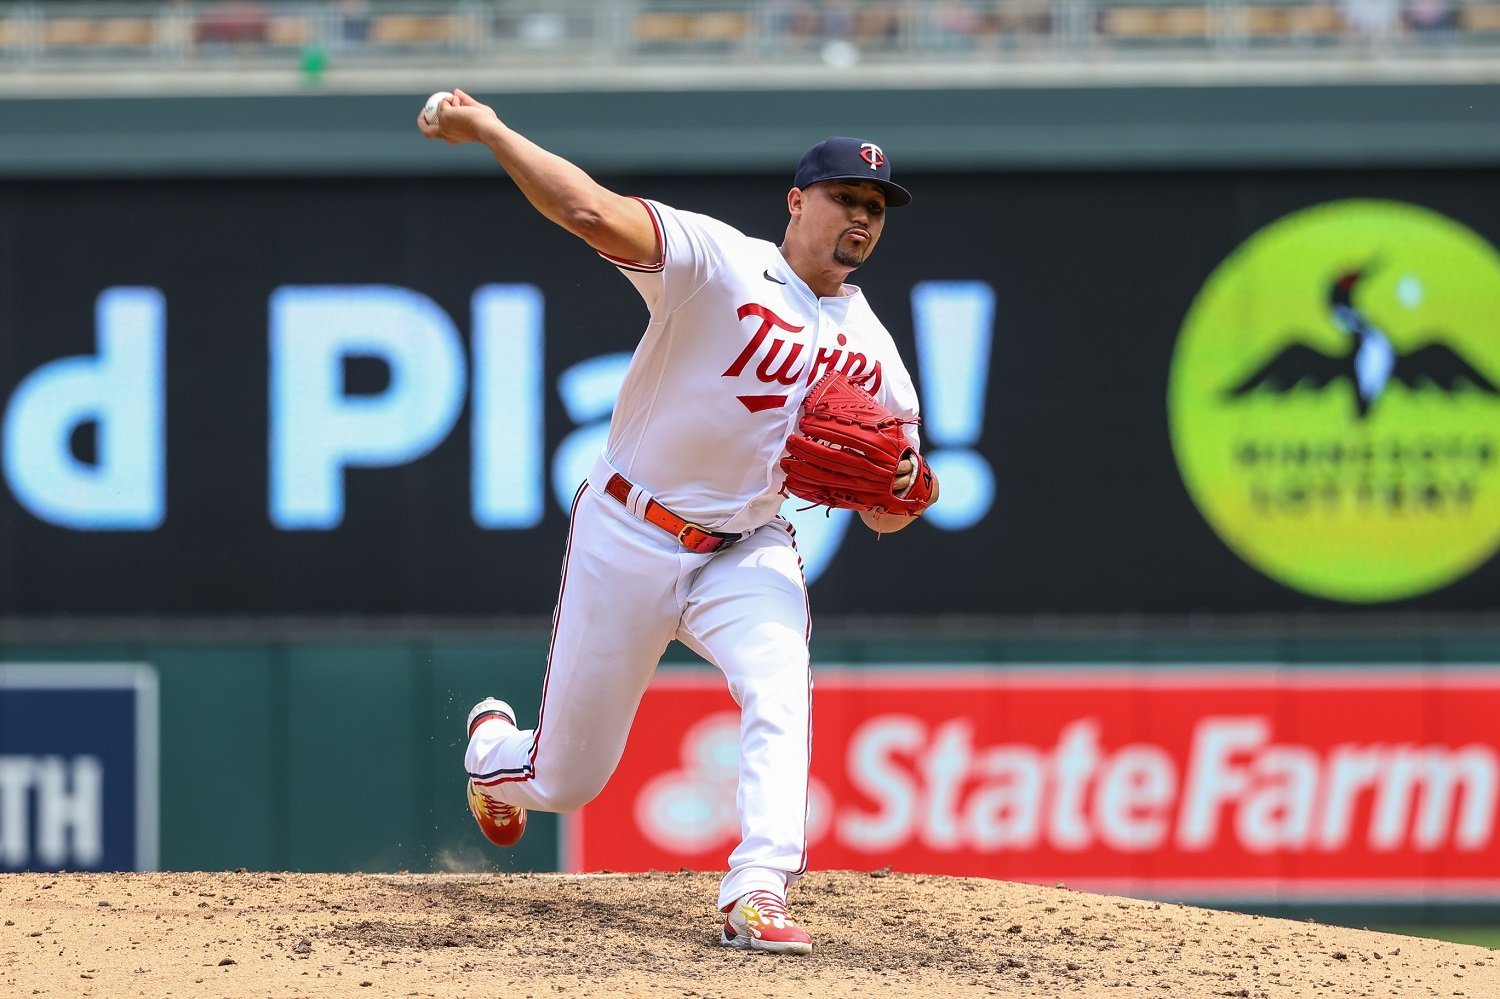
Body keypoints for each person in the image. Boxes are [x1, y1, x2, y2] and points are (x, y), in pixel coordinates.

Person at [419, 89, 937, 955]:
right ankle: (490, 752)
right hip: (630, 529)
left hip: (748, 546)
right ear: (797, 201)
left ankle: (756, 887)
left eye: (876, 205)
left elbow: (890, 514)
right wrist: (492, 130)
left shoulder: (876, 351)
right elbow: (586, 208)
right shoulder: (718, 262)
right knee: (566, 777)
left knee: (781, 683)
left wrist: (905, 487)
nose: (863, 215)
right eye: (847, 196)